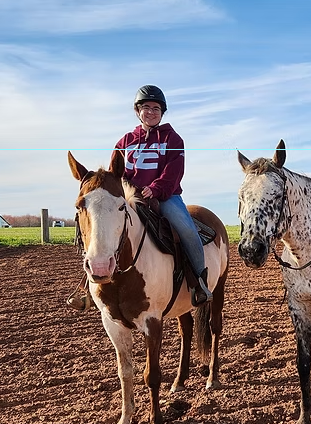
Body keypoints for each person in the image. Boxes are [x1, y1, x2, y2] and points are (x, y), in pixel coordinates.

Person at [67, 85, 212, 310]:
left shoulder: (173, 140)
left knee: (186, 230)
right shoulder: (125, 142)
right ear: (137, 111)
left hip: (166, 196)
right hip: (130, 197)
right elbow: (116, 175)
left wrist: (156, 188)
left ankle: (198, 284)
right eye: (146, 107)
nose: (151, 112)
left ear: (162, 112)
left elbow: (174, 171)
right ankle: (87, 286)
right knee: (103, 228)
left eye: (156, 108)